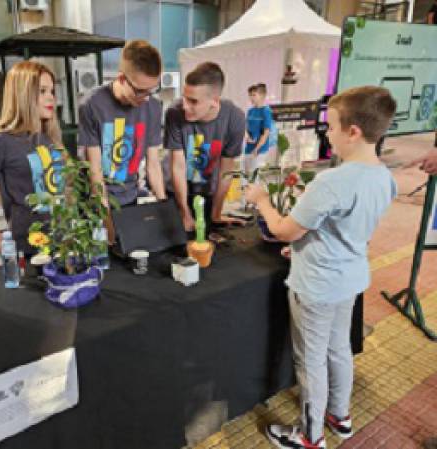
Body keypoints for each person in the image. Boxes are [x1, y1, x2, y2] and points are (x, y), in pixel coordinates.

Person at [245, 86, 397, 449]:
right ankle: (339, 416)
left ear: (353, 131)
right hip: (349, 278)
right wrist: (304, 248)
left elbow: (284, 229)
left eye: (330, 126)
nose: (326, 134)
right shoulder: (385, 177)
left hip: (317, 286)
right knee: (338, 348)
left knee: (310, 360)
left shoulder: (332, 182)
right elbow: (342, 229)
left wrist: (262, 200)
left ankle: (310, 436)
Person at [0, 61, 64, 256]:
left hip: (60, 238)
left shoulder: (47, 135)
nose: (51, 98)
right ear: (23, 95)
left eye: (52, 91)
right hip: (28, 246)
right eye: (42, 91)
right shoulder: (1, 140)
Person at [77, 40, 166, 239]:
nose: (146, 97)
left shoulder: (153, 107)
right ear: (122, 78)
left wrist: (164, 210)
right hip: (97, 205)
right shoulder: (92, 105)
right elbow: (95, 171)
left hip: (131, 200)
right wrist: (107, 223)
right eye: (140, 91)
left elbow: (153, 165)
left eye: (152, 89)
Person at [164, 62, 246, 231]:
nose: (185, 106)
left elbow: (226, 171)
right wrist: (184, 213)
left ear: (214, 101)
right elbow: (178, 167)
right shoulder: (174, 113)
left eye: (193, 101)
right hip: (176, 192)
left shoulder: (235, 117)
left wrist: (216, 213)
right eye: (185, 97)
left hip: (208, 192)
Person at [244, 83, 274, 174]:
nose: (251, 98)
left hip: (260, 150)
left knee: (255, 176)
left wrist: (257, 148)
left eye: (254, 95)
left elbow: (265, 133)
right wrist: (247, 137)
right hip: (248, 148)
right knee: (246, 175)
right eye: (250, 95)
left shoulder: (266, 111)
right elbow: (245, 127)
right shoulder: (250, 111)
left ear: (262, 96)